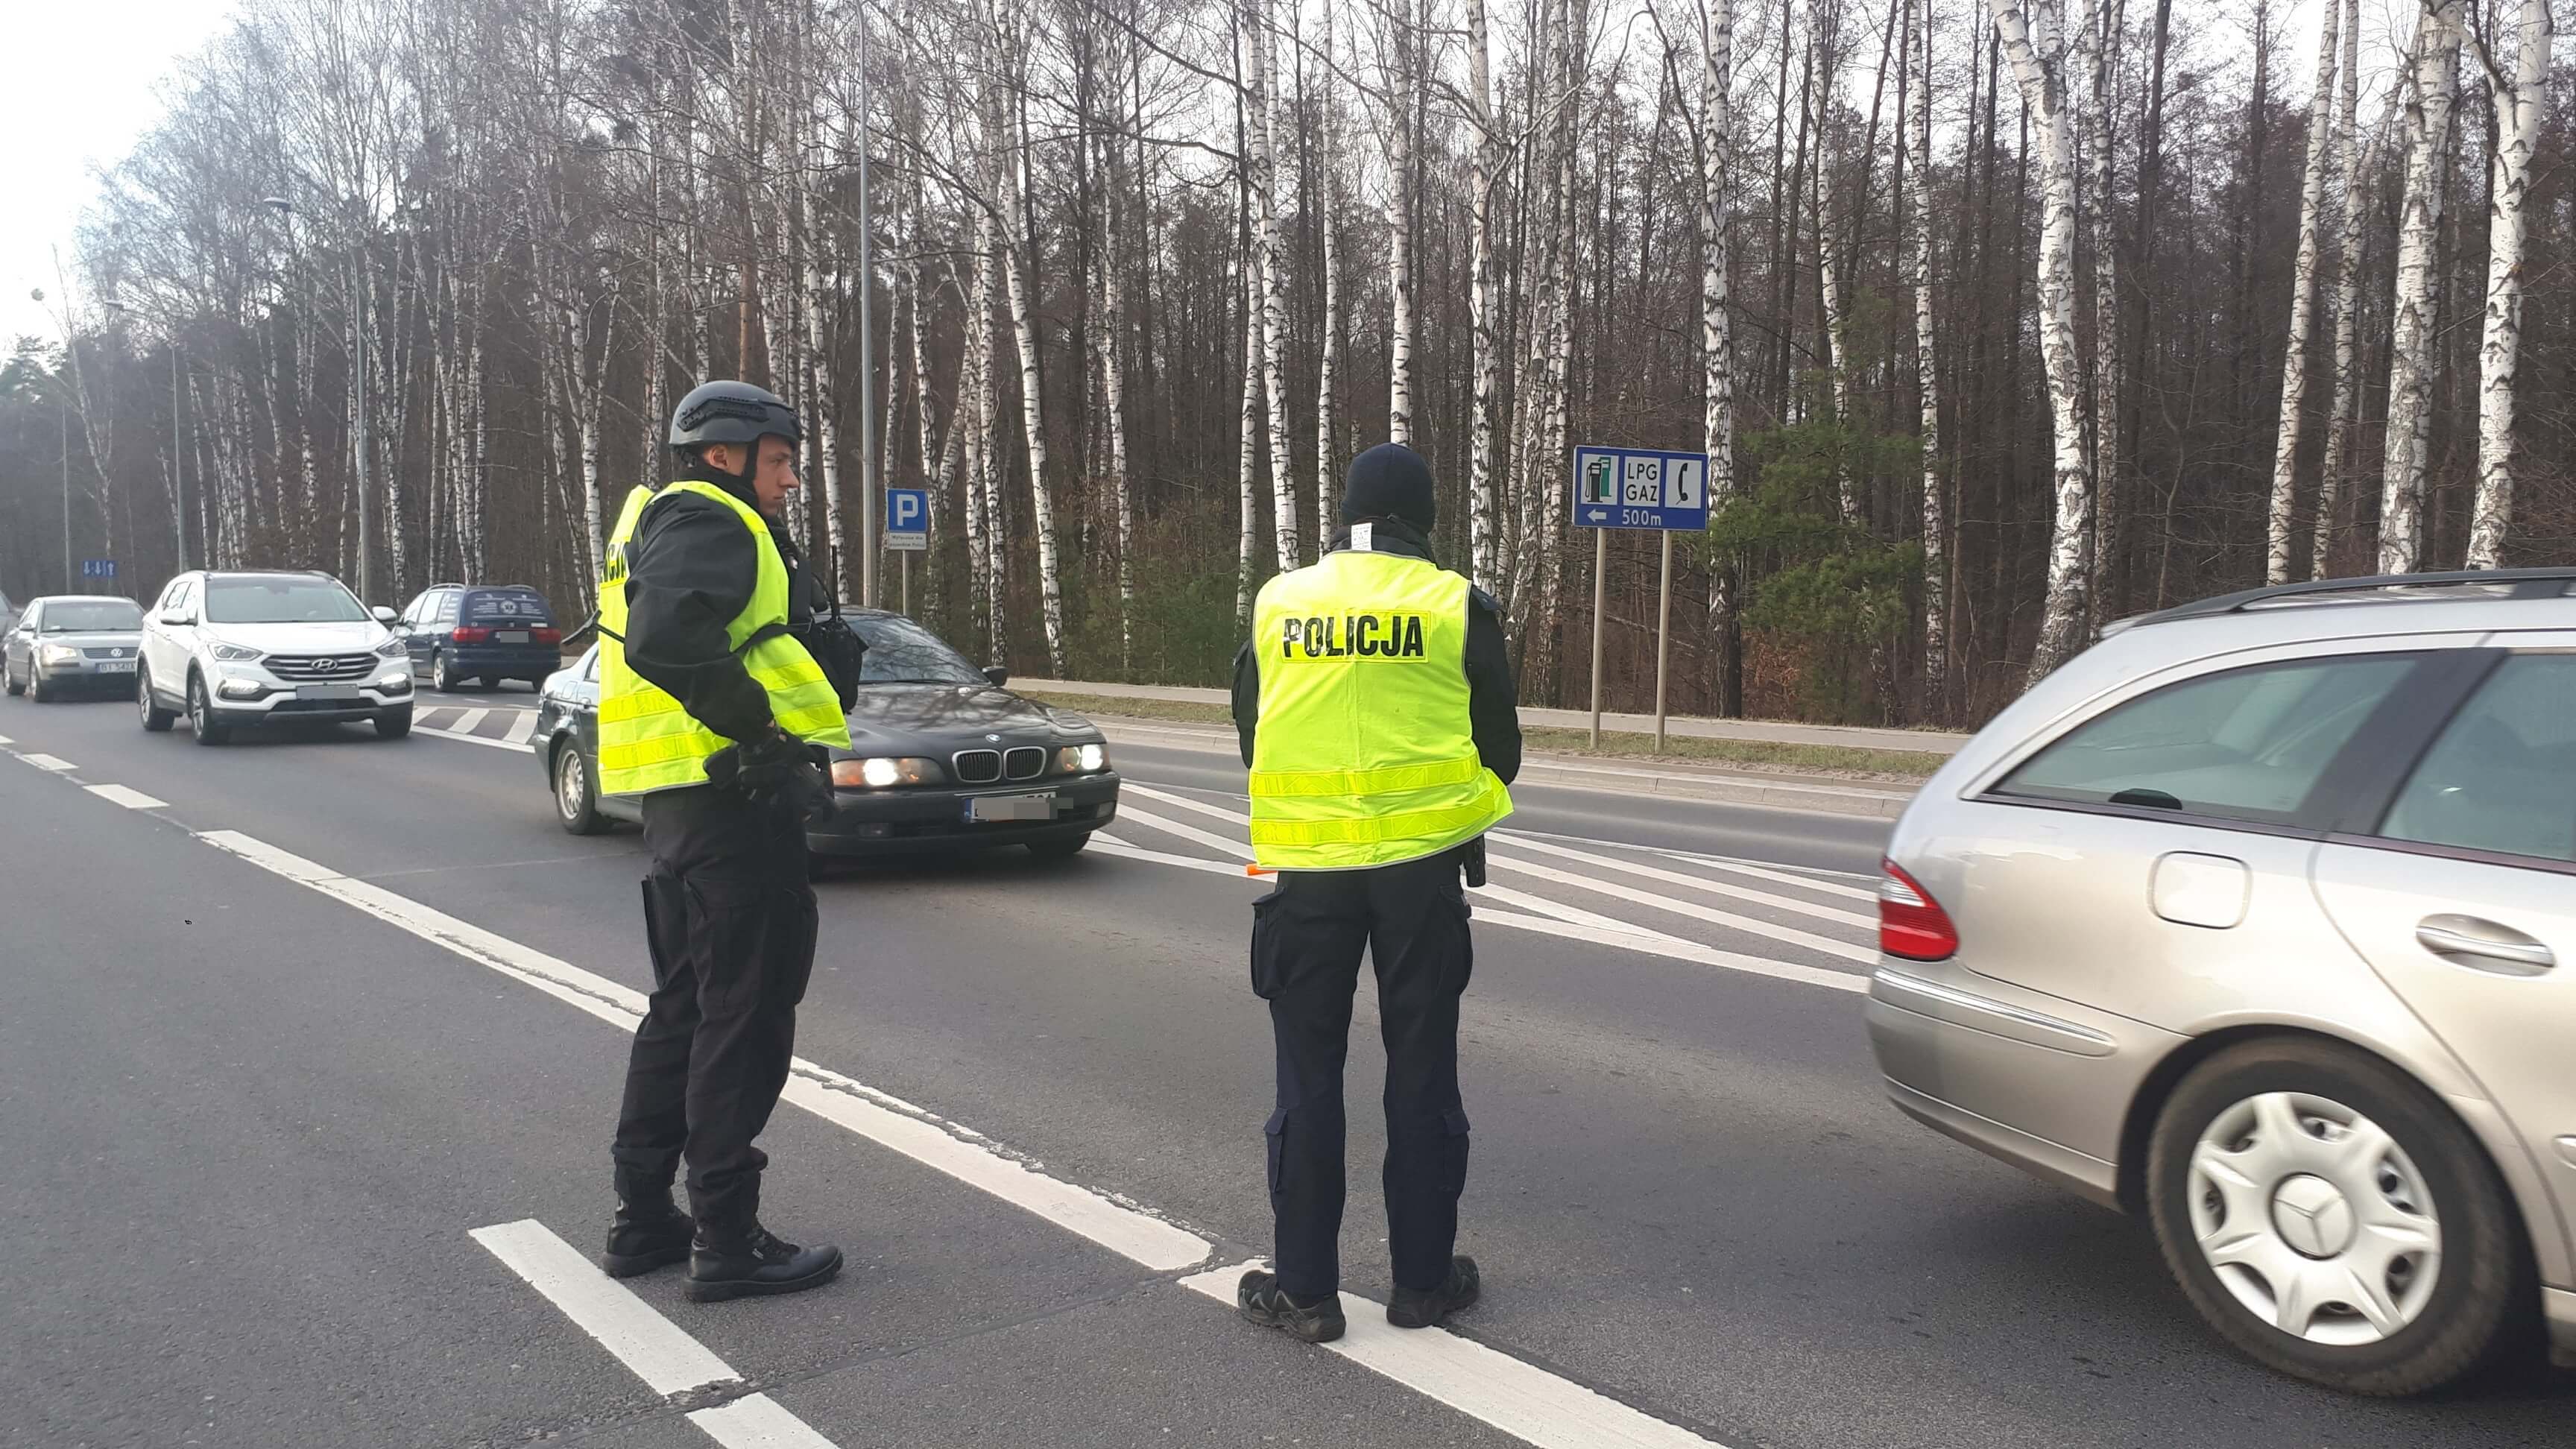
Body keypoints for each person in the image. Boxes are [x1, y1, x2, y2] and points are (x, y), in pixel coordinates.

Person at [1228, 442, 1523, 1343]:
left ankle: (1306, 1293)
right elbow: (1501, 748)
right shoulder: (1453, 603)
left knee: (1308, 1076)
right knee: (1422, 1071)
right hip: (1420, 877)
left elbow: (1251, 728)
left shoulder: (1280, 601)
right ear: (1423, 520)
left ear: (1345, 514)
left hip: (1309, 872)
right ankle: (1422, 1285)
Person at [596, 379, 856, 1302]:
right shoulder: (711, 517)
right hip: (735, 801)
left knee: (684, 1011)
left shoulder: (658, 522)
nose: (789, 480)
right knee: (744, 1017)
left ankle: (644, 1218)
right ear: (726, 455)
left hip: (684, 806)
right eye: (779, 461)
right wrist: (762, 732)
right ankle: (727, 1236)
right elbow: (667, 637)